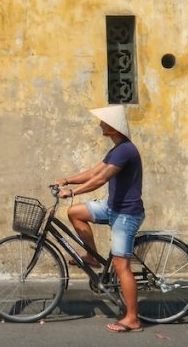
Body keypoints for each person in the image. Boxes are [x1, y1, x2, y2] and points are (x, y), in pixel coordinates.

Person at [54, 105, 145, 333]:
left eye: (103, 122)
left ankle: (133, 318)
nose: (100, 124)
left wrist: (73, 193)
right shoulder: (116, 150)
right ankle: (92, 257)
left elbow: (101, 179)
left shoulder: (126, 150)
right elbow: (94, 171)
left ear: (113, 128)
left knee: (120, 265)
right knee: (75, 213)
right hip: (112, 207)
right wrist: (66, 181)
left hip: (126, 213)